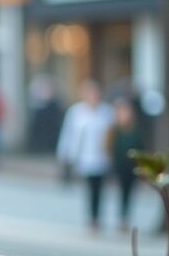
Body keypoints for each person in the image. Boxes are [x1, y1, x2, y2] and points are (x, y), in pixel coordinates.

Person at [57, 80, 115, 230]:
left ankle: (97, 217)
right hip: (84, 157)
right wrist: (65, 154)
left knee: (99, 188)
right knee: (90, 187)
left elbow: (111, 135)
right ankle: (92, 217)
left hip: (102, 156)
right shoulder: (76, 112)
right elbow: (69, 134)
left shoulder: (106, 112)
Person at [109, 97, 146, 232]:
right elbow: (110, 148)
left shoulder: (135, 130)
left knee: (129, 192)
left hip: (132, 167)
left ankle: (125, 218)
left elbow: (141, 148)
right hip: (120, 166)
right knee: (122, 192)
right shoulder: (115, 130)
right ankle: (121, 218)